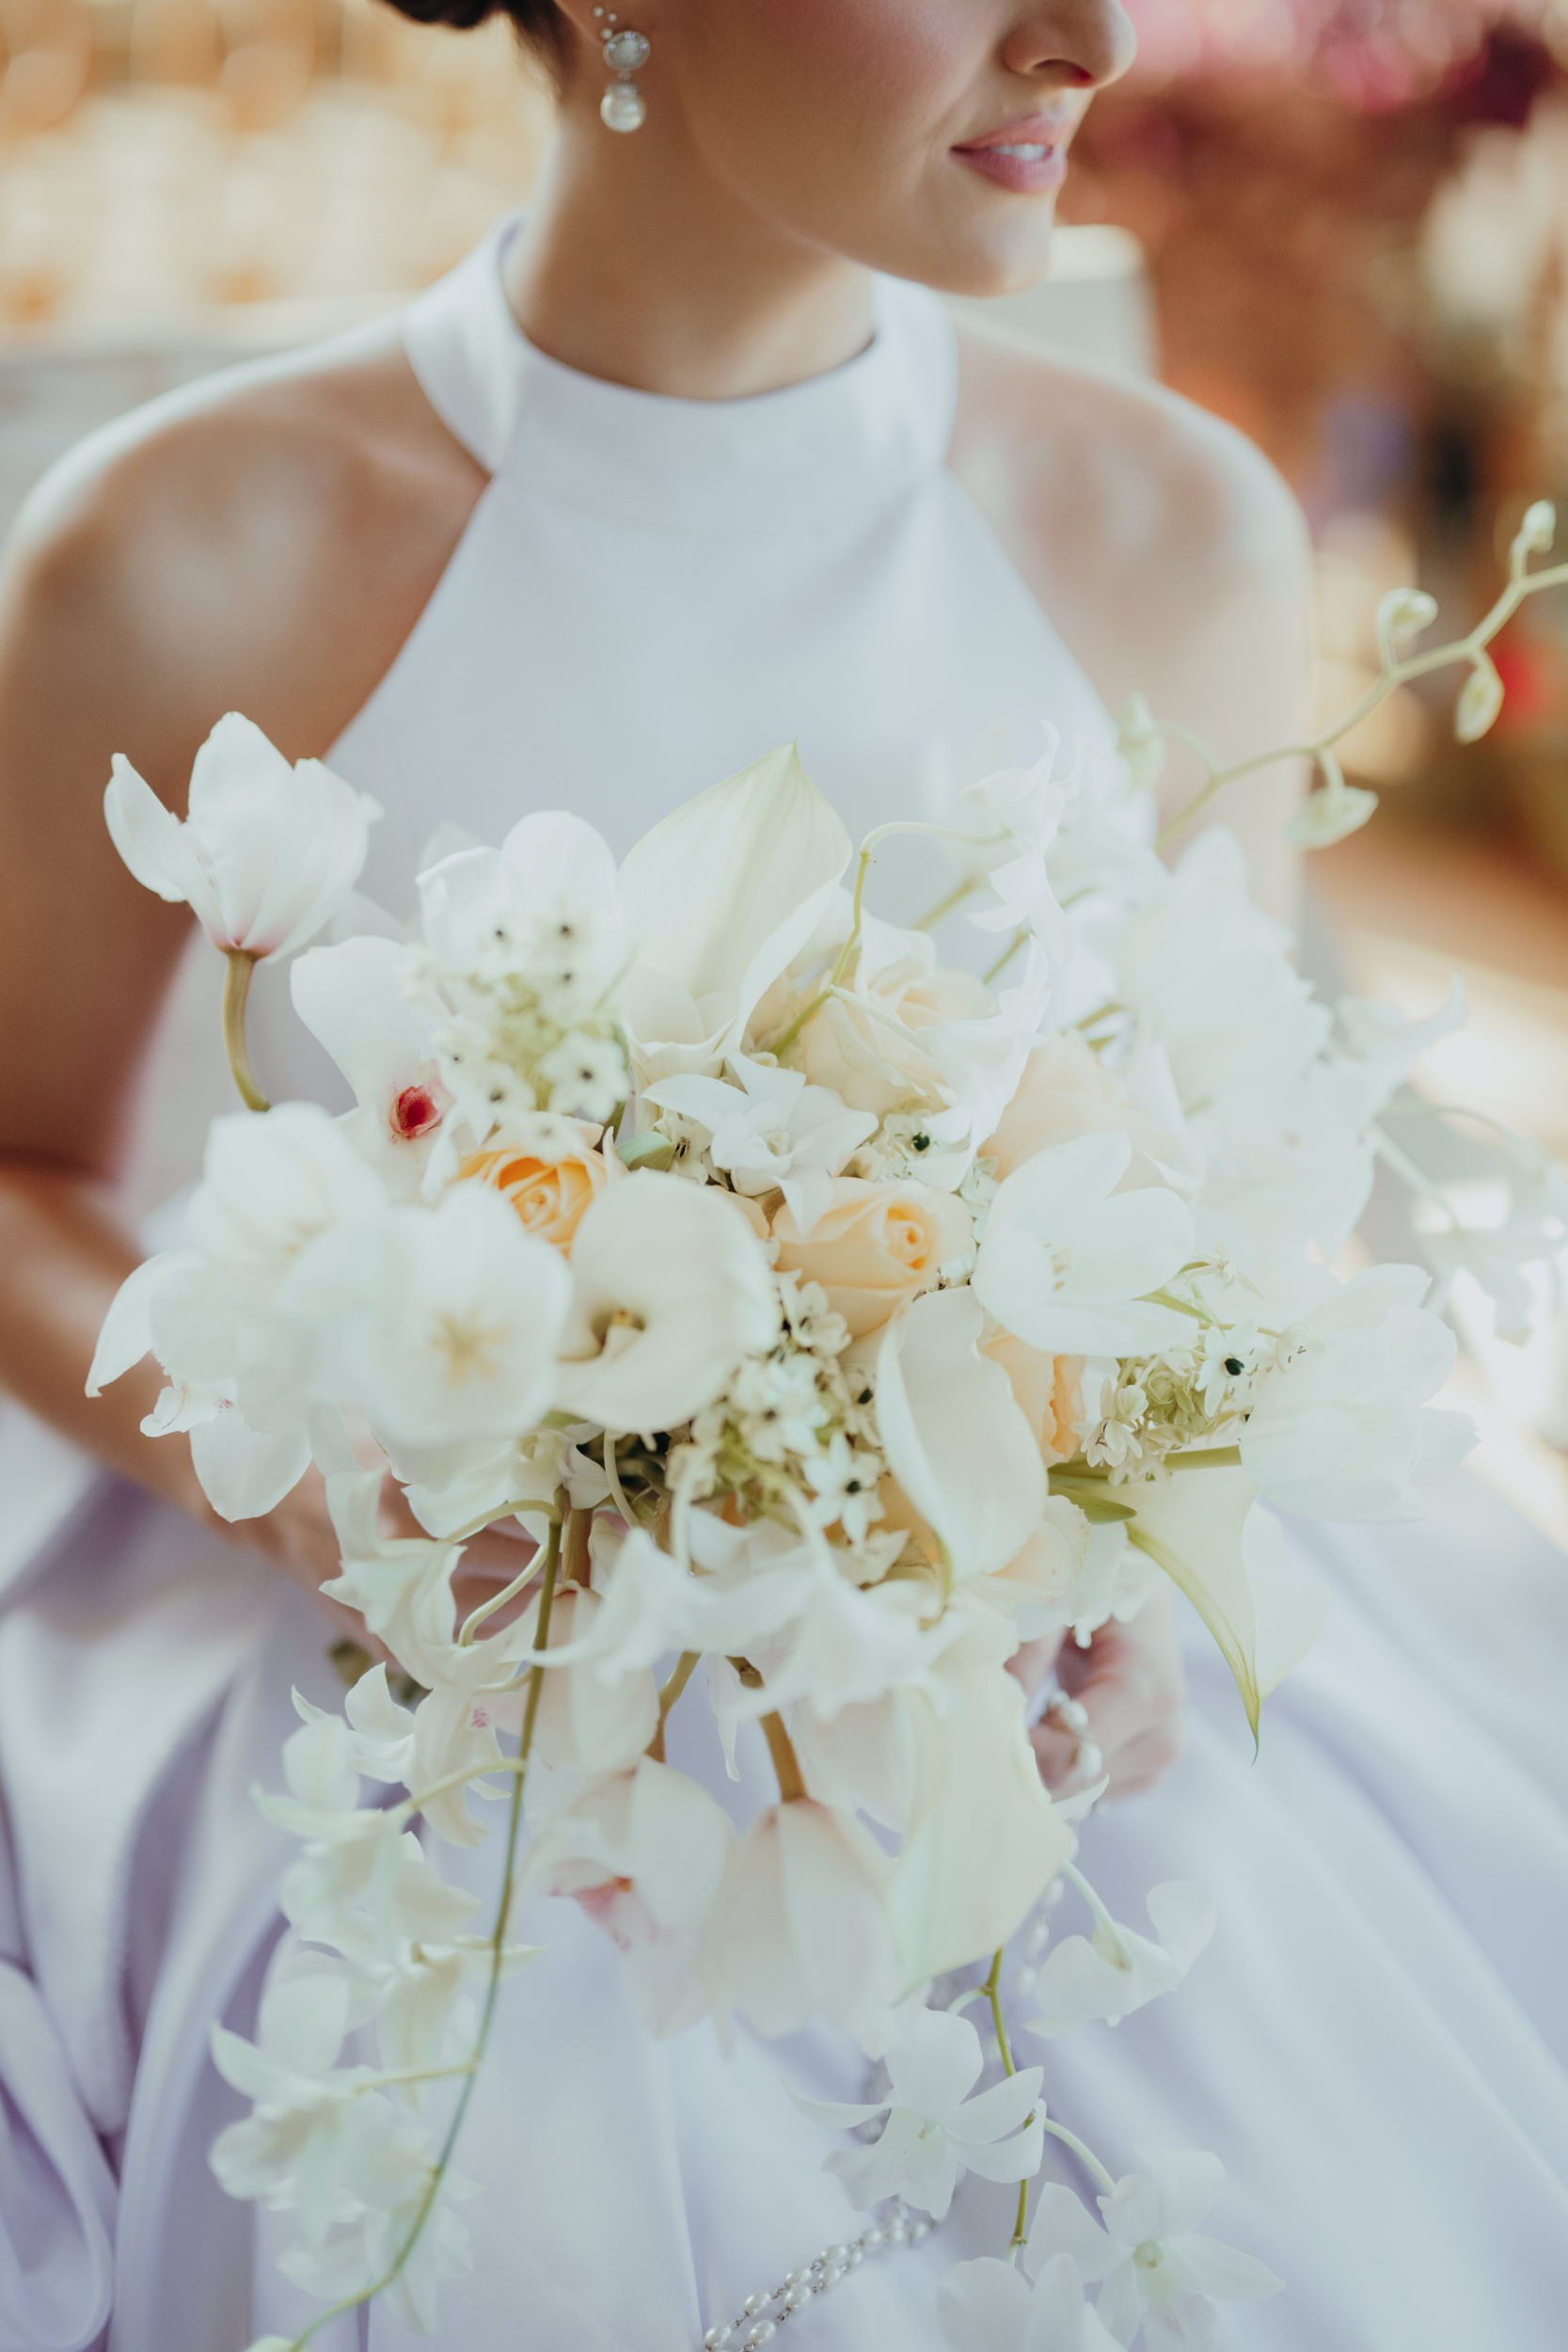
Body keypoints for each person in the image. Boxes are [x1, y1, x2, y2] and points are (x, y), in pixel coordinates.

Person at [0, 3, 1563, 2345]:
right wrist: (322, 1494)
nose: (1092, 34)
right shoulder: (183, 546)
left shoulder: (1175, 532)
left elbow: (1240, 1195)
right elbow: (13, 1169)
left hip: (1015, 1704)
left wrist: (1159, 1559)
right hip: (383, 1666)